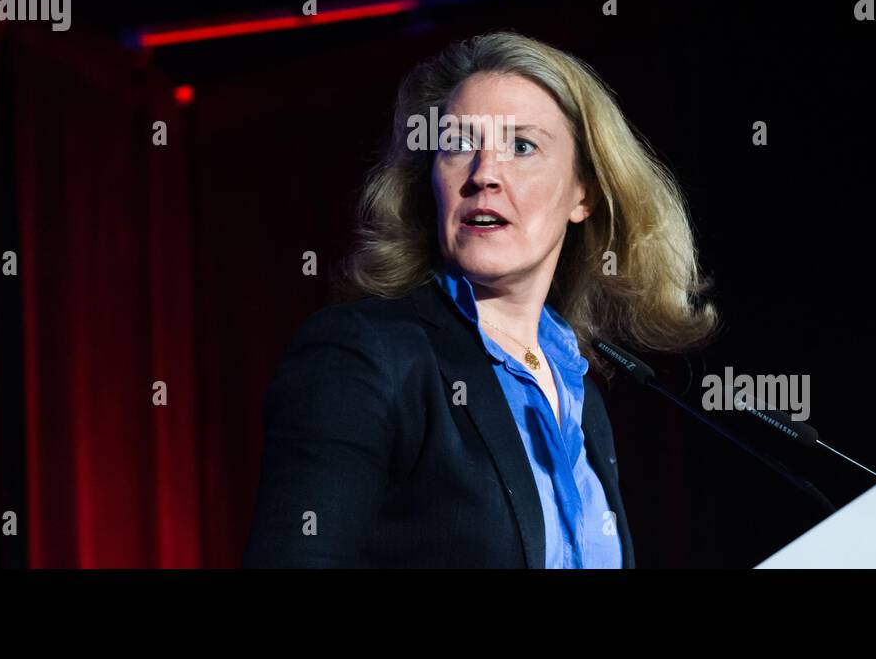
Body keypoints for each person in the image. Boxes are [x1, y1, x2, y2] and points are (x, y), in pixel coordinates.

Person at [242, 30, 715, 567]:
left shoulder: (581, 395)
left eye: (521, 146)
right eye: (459, 145)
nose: (484, 174)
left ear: (583, 192)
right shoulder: (366, 356)